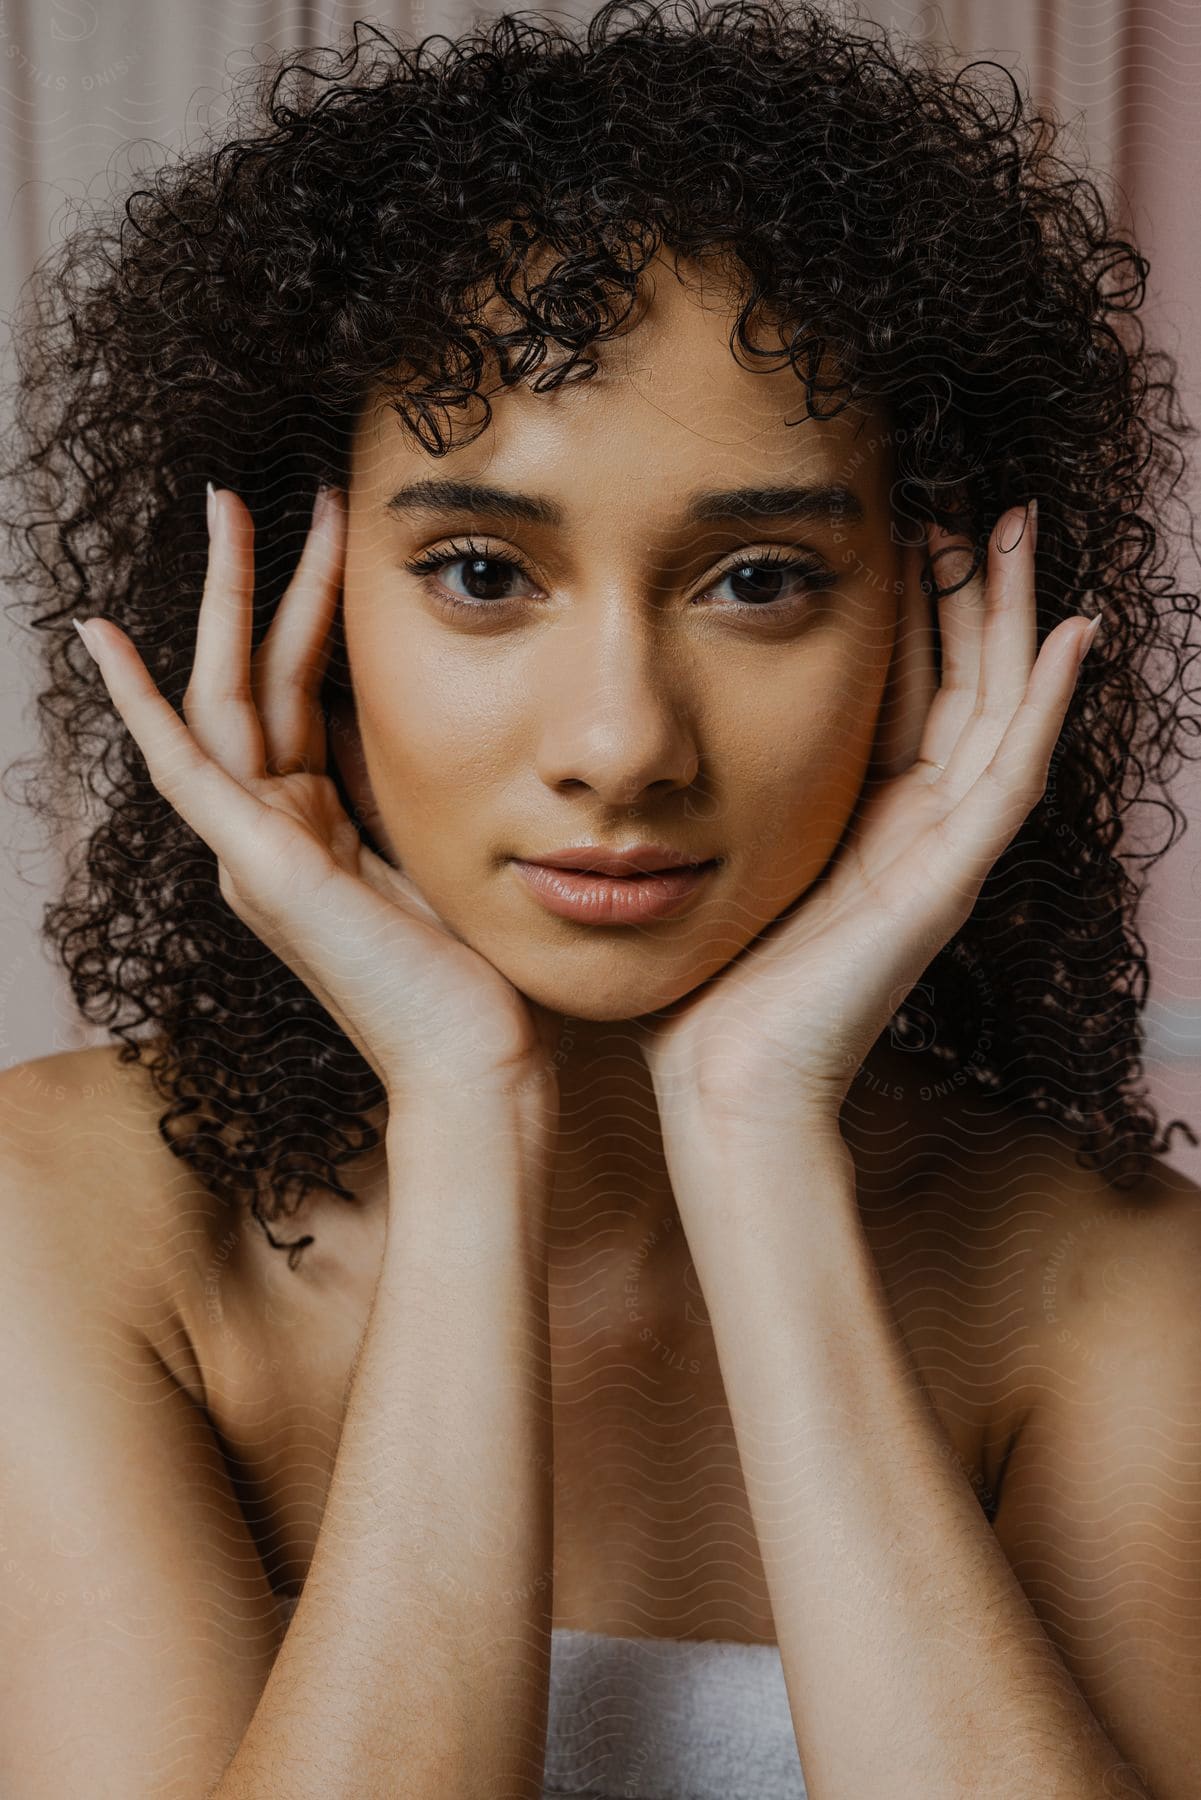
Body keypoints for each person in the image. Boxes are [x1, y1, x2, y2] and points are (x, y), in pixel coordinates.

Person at [1, 1, 1199, 1794]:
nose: (623, 741)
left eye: (763, 579)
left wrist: (754, 1138)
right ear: (293, 626)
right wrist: (466, 1114)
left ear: (929, 634)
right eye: (483, 571)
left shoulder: (1113, 1299)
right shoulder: (62, 1230)